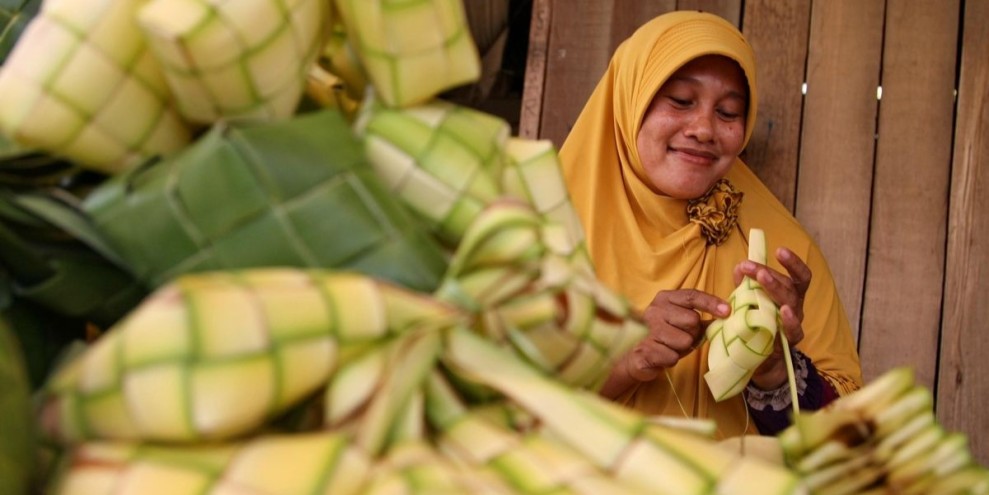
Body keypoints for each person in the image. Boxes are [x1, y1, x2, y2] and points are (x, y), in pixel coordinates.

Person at [558, 10, 863, 437]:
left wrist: (775, 371)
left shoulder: (782, 255)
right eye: (680, 100)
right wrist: (624, 361)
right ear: (630, 99)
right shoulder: (538, 234)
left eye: (729, 112)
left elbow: (847, 446)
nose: (704, 129)